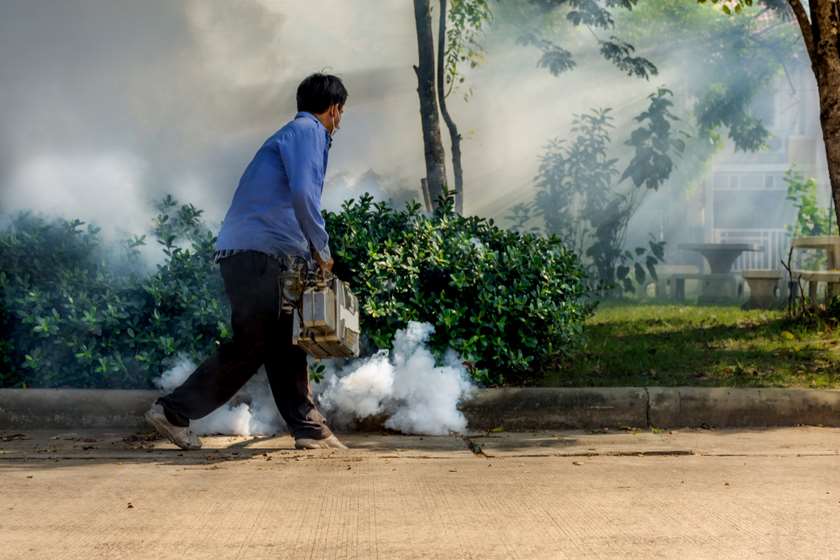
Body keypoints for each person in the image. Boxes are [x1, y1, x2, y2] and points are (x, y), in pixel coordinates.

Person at [145, 73, 348, 450]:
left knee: (283, 341)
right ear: (334, 110)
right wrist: (322, 249)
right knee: (252, 345)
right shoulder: (310, 132)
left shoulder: (289, 133)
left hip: (253, 252)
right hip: (261, 255)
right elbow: (305, 194)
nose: (340, 121)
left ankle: (308, 429)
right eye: (341, 113)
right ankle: (173, 412)